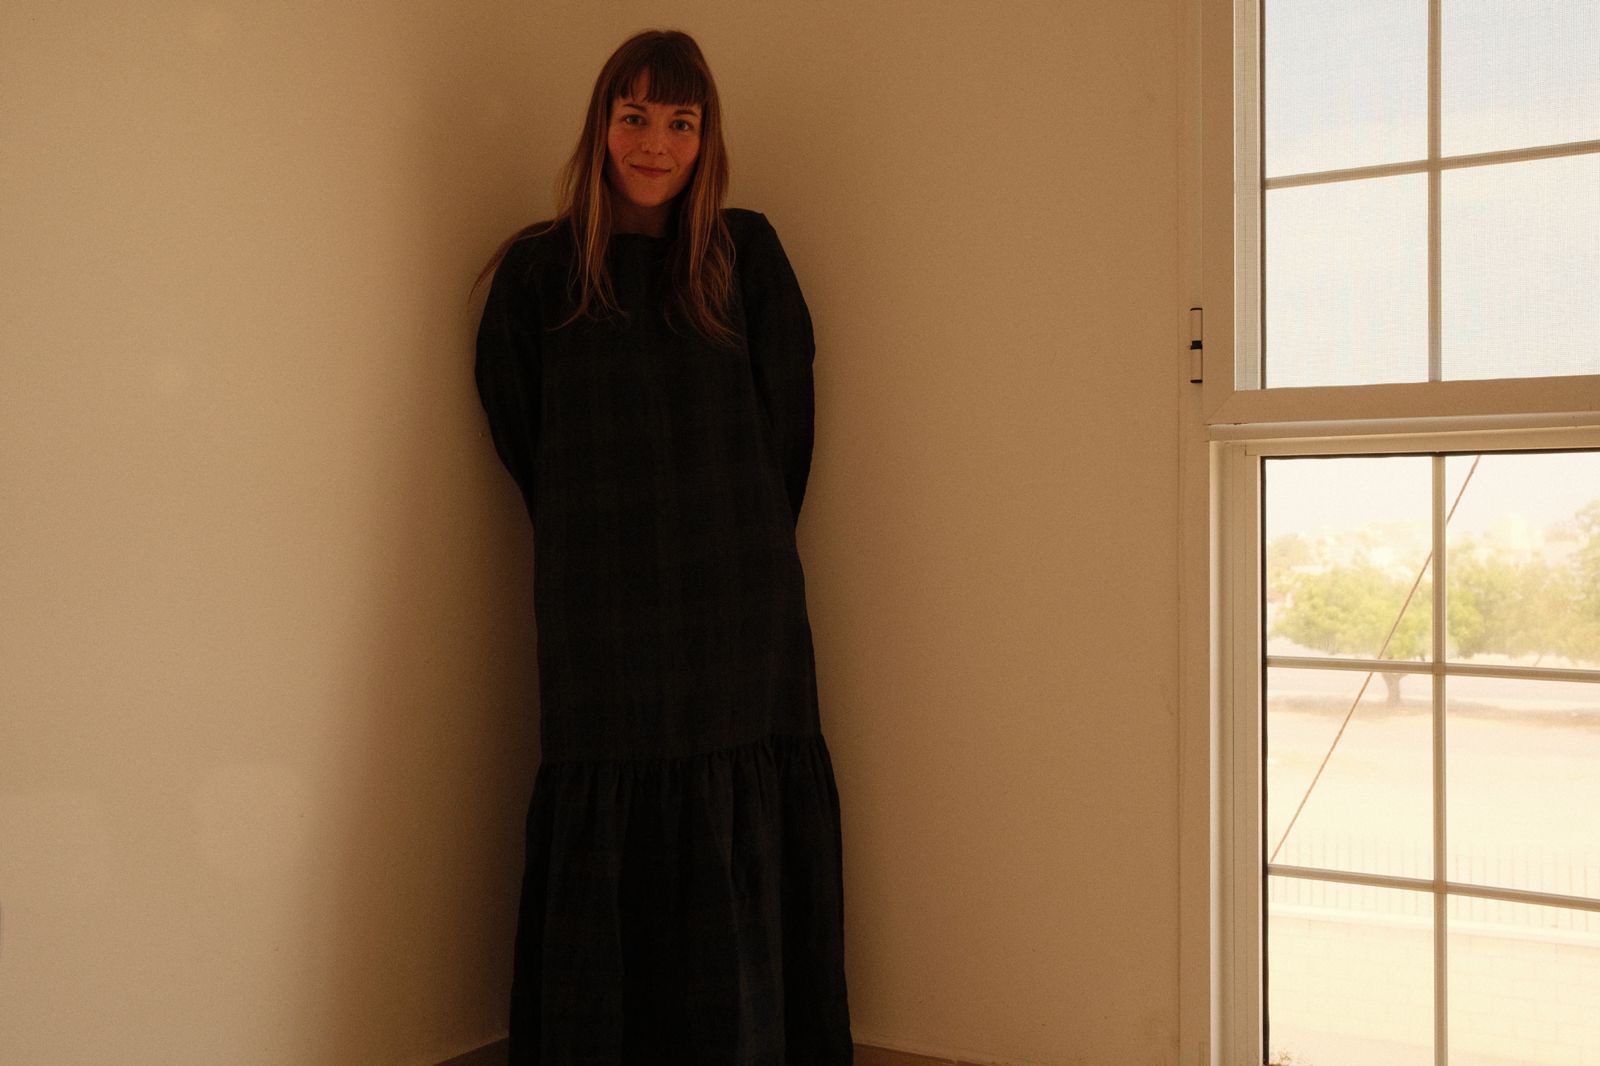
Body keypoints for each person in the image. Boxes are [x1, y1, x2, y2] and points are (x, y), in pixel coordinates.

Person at [472, 29, 853, 1065]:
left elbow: (787, 431)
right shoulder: (538, 275)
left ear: (706, 137)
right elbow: (522, 434)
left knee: (735, 810)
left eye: (680, 121)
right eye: (634, 115)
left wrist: (733, 540)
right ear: (601, 124)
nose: (654, 142)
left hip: (738, 600)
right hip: (598, 601)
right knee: (613, 799)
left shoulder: (746, 256)